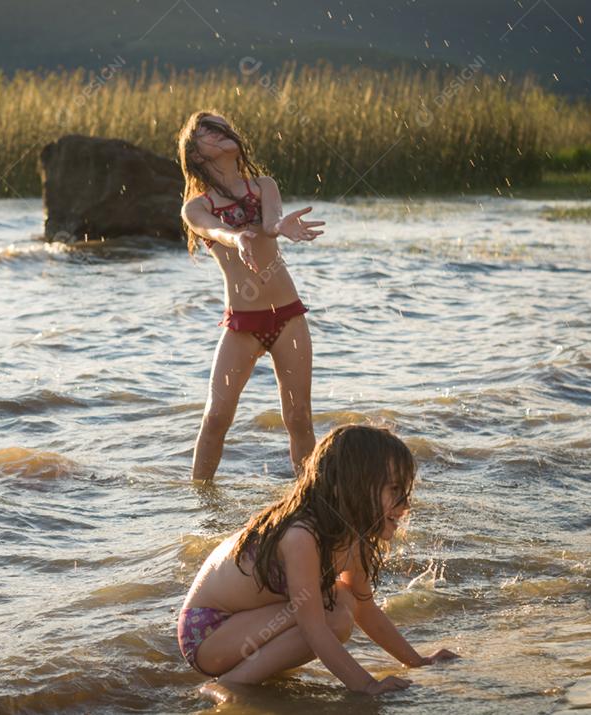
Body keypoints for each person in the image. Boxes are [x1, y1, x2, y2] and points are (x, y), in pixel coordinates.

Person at [176, 424, 459, 695]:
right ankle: (229, 684)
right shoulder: (301, 536)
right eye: (395, 490)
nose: (405, 505)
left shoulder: (351, 539)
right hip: (208, 635)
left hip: (245, 630)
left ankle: (247, 674)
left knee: (345, 601)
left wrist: (417, 661)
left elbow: (365, 609)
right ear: (353, 487)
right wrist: (366, 686)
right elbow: (313, 627)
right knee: (333, 615)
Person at [177, 110, 326, 481]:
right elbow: (216, 231)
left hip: (287, 316)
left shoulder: (264, 186)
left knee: (299, 418)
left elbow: (272, 222)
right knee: (215, 418)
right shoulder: (196, 207)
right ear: (196, 155)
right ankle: (201, 506)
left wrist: (280, 227)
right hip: (242, 324)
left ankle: (310, 501)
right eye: (208, 131)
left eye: (222, 126)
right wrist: (237, 236)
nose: (222, 132)